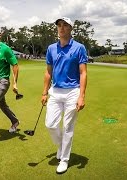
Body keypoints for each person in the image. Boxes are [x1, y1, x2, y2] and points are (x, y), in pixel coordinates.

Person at [41, 17, 88, 174]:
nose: (61, 28)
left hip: (72, 91)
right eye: (59, 25)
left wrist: (81, 96)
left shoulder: (79, 48)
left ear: (70, 29)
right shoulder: (51, 48)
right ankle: (61, 146)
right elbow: (48, 72)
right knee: (50, 124)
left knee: (68, 127)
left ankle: (64, 159)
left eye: (65, 25)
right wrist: (44, 92)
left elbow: (83, 73)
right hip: (55, 91)